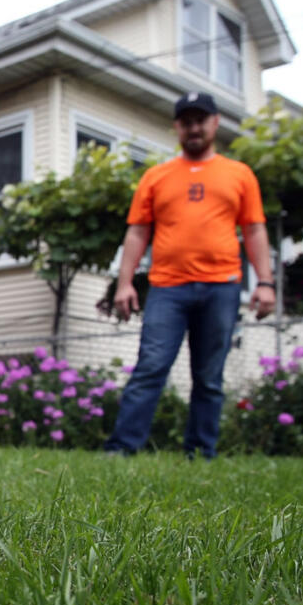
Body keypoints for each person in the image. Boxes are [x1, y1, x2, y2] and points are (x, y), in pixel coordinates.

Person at [104, 91, 275, 459]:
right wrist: (124, 283)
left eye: (201, 120)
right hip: (167, 288)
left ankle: (200, 453)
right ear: (177, 127)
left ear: (214, 123)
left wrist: (265, 282)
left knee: (209, 377)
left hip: (222, 286)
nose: (194, 127)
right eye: (187, 121)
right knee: (150, 367)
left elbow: (255, 230)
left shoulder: (239, 175)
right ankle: (121, 448)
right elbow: (137, 232)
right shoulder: (156, 177)